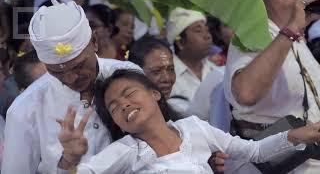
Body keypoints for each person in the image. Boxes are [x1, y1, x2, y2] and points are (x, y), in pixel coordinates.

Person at [56, 69, 320, 173]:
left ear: (155, 94)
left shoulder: (194, 127)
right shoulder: (125, 151)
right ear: (118, 123)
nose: (123, 104)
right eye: (113, 107)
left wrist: (301, 135)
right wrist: (70, 160)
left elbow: (255, 151)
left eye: (129, 94)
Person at [1, 0, 140, 174]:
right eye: (56, 71)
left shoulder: (130, 77)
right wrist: (67, 162)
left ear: (94, 41)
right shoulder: (24, 110)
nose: (71, 77)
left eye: (79, 66)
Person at [224, 0, 320, 173]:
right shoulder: (254, 31)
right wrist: (290, 30)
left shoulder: (298, 38)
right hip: (277, 165)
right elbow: (246, 92)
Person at [166, 7, 224, 113]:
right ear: (180, 42)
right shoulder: (167, 77)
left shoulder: (217, 71)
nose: (207, 36)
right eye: (198, 31)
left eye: (207, 30)